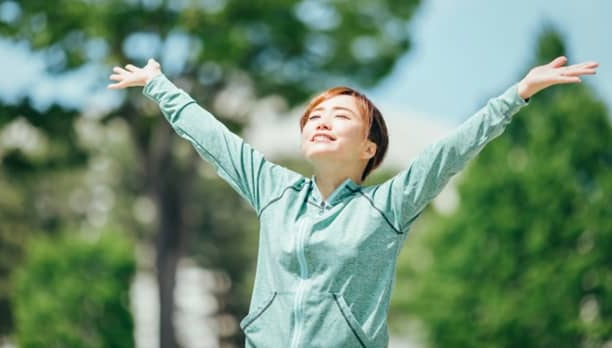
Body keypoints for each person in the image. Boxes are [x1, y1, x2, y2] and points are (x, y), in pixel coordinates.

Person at [108, 56, 598, 348]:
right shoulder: (274, 192)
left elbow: (452, 151)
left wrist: (519, 93)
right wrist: (159, 85)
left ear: (369, 148)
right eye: (314, 116)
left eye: (339, 115)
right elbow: (215, 140)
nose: (320, 121)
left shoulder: (387, 206)